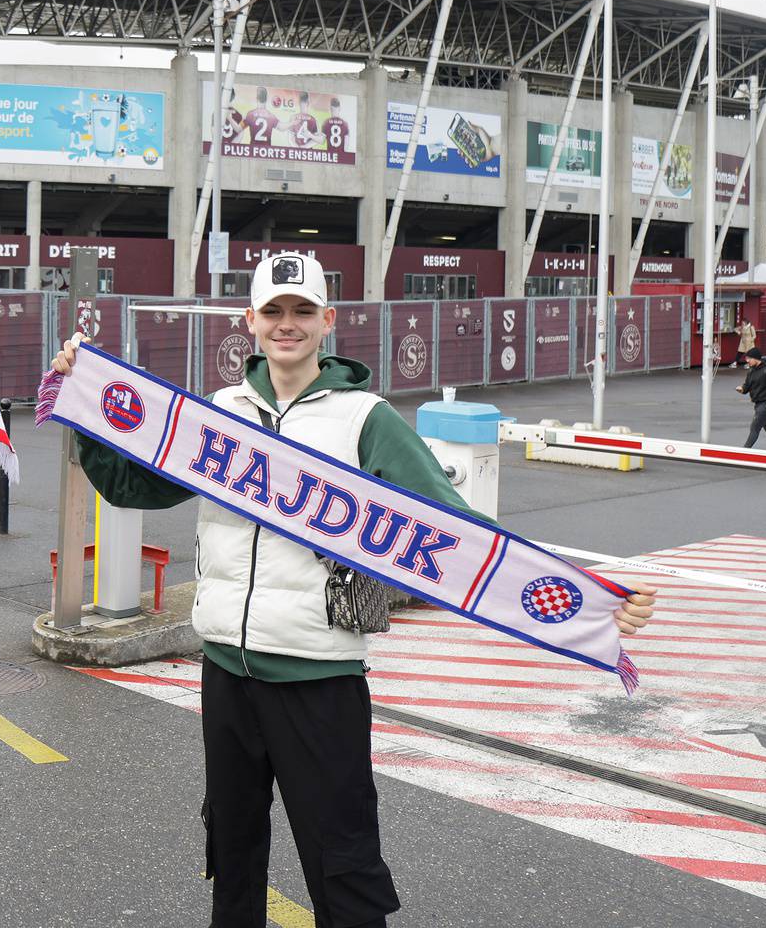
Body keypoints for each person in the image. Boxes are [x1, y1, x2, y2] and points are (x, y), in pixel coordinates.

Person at [54, 252, 655, 928]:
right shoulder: (220, 413)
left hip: (319, 678)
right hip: (225, 668)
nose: (288, 325)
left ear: (328, 321)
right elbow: (137, 484)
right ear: (249, 320)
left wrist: (584, 599)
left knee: (343, 868)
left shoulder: (364, 418)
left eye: (303, 311)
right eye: (274, 311)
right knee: (233, 850)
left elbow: (456, 530)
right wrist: (83, 407)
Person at [736, 346, 766, 450]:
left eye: (749, 358)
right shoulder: (751, 371)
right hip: (758, 404)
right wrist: (742, 389)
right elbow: (747, 385)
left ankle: (744, 451)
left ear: (756, 358)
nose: (747, 361)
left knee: (755, 427)